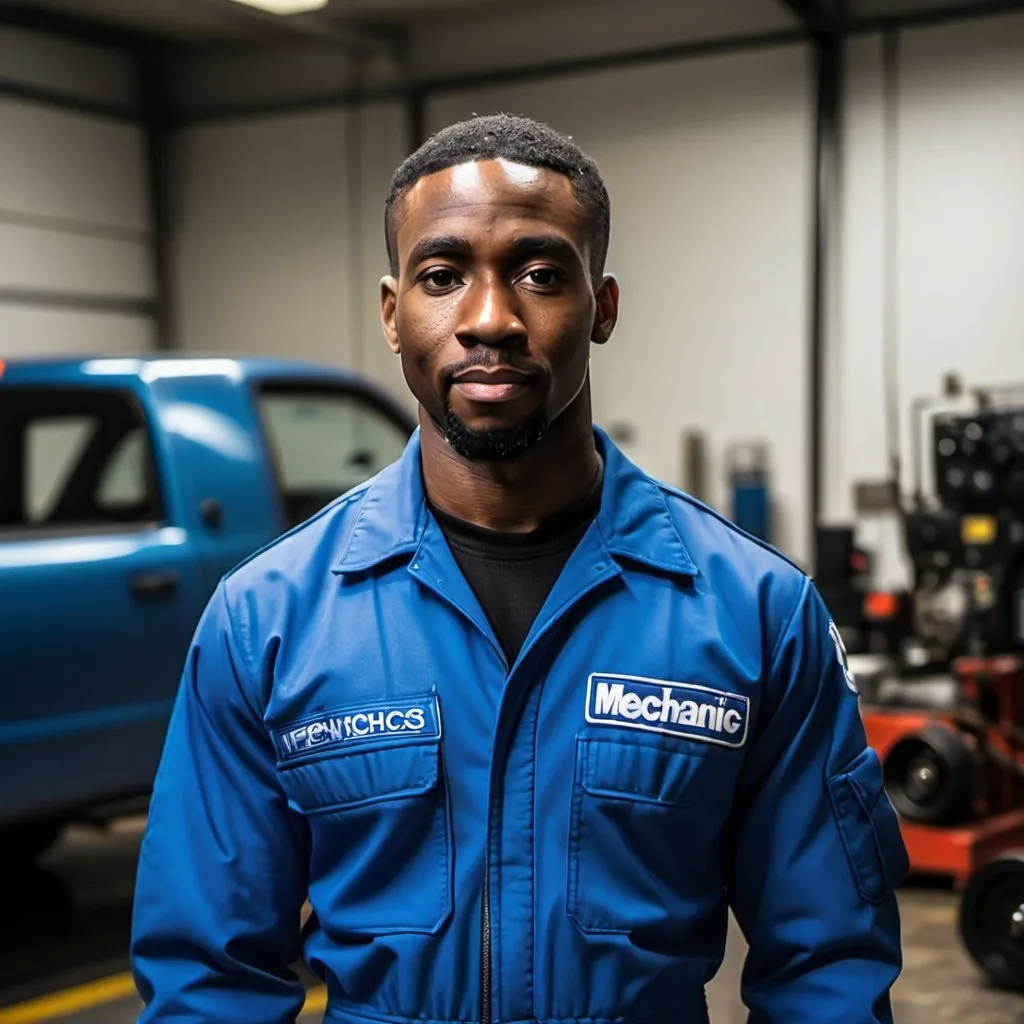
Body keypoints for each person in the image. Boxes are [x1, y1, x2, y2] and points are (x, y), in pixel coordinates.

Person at [130, 113, 908, 1023]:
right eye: (442, 275)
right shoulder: (265, 619)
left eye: (540, 275)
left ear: (603, 307)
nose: (490, 319)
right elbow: (207, 979)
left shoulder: (756, 613)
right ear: (393, 312)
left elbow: (829, 970)